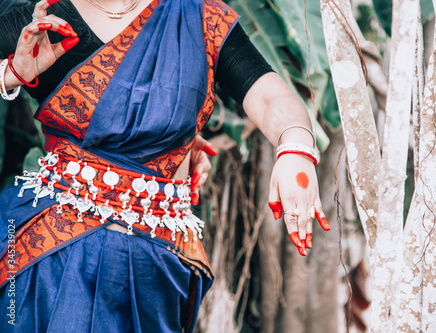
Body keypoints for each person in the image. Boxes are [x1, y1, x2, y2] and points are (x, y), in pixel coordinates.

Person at [0, 0, 330, 331]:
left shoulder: (198, 16)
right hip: (50, 257)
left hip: (155, 269)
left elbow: (270, 97)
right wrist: (12, 74)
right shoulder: (36, 13)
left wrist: (295, 150)